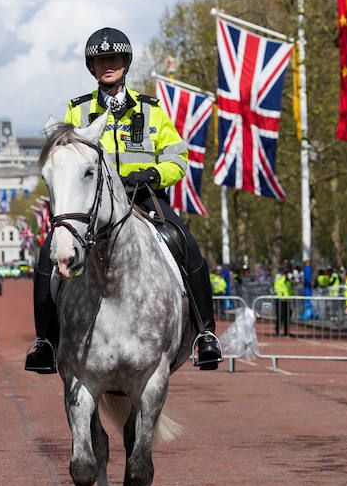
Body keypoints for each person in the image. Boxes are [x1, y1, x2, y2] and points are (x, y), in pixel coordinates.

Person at [25, 27, 223, 373]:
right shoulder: (77, 110)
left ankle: (205, 334)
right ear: (92, 67)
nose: (108, 66)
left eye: (114, 59)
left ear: (125, 63)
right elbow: (67, 161)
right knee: (47, 255)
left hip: (144, 200)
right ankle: (44, 340)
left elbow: (178, 159)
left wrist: (154, 174)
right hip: (93, 207)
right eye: (101, 61)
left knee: (186, 244)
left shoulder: (152, 110)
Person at [273, 265, 293, 336]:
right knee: (280, 316)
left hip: (287, 301)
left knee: (287, 316)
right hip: (280, 300)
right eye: (286, 273)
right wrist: (283, 297)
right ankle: (278, 330)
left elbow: (291, 290)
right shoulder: (280, 280)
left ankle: (286, 331)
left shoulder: (289, 281)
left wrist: (291, 298)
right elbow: (277, 289)